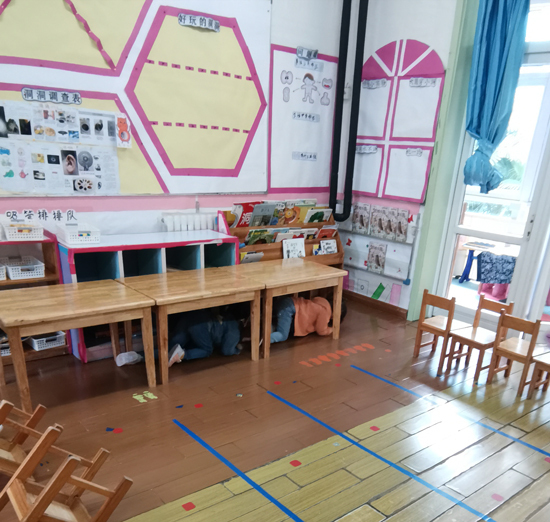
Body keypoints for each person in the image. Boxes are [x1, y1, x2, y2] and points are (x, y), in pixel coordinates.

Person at [115, 307, 243, 367]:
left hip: (190, 317)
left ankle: (138, 356)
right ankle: (182, 354)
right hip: (202, 327)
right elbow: (227, 350)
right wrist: (237, 349)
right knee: (207, 350)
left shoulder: (227, 315)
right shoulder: (235, 330)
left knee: (168, 348)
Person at [270, 294, 347, 344]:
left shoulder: (320, 300)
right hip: (291, 310)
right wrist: (330, 329)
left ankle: (268, 331)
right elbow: (321, 330)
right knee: (283, 335)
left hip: (289, 301)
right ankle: (266, 340)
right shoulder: (325, 311)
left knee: (278, 323)